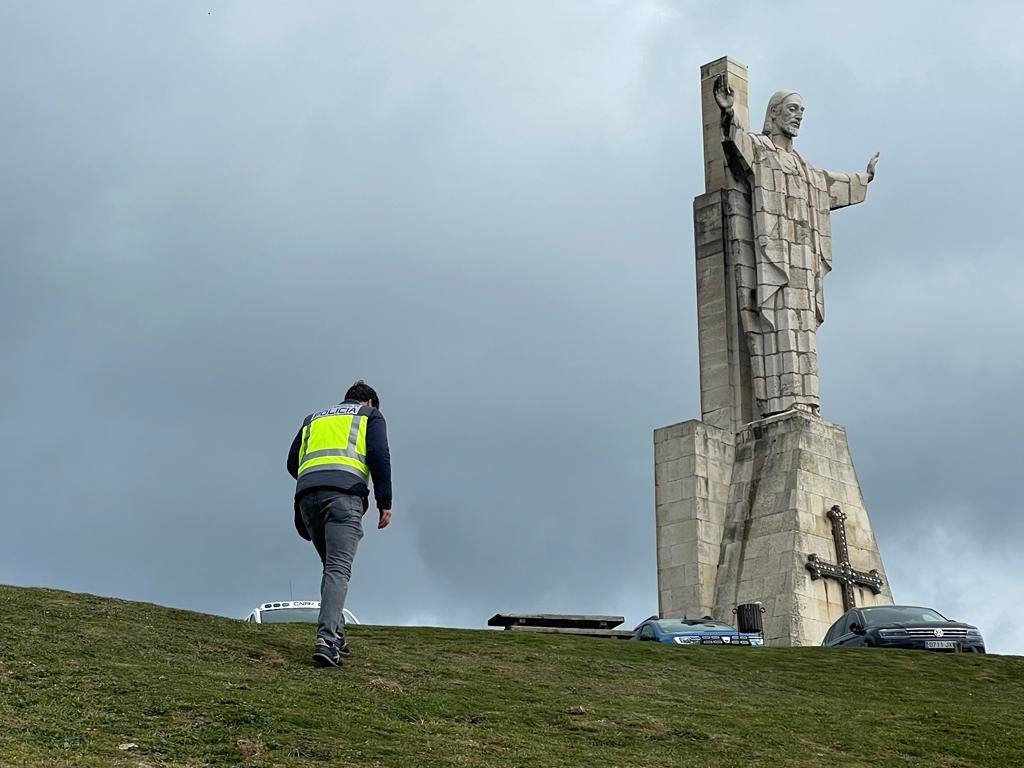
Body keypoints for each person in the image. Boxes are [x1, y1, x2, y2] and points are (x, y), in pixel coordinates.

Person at [286, 380, 392, 667]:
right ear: (369, 401)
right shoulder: (369, 416)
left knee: (330, 567)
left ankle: (337, 632)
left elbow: (291, 462)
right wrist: (385, 502)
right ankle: (327, 640)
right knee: (338, 569)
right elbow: (380, 455)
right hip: (344, 496)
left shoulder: (313, 419)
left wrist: (316, 478)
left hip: (308, 498)